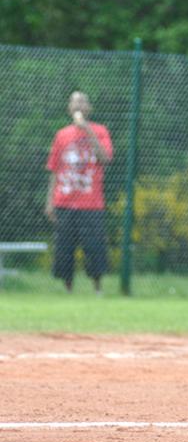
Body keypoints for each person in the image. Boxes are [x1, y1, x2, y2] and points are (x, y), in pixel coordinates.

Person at [45, 91, 114, 294]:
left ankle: (97, 288)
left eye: (82, 102)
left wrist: (87, 131)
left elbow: (105, 158)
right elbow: (54, 170)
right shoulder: (62, 135)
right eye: (73, 102)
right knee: (64, 249)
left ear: (88, 108)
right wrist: (49, 202)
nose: (77, 106)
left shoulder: (100, 131)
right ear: (69, 108)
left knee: (94, 247)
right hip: (64, 201)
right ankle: (68, 289)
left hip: (91, 203)